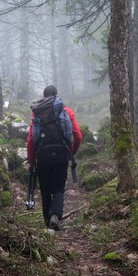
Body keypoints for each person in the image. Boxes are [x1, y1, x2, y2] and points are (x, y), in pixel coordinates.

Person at [26, 85, 82, 230]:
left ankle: (47, 220)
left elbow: (31, 139)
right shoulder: (65, 111)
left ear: (44, 96)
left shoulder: (37, 113)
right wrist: (71, 152)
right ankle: (55, 216)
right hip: (61, 154)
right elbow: (77, 135)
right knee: (58, 188)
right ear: (56, 95)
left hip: (42, 156)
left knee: (45, 189)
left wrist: (31, 161)